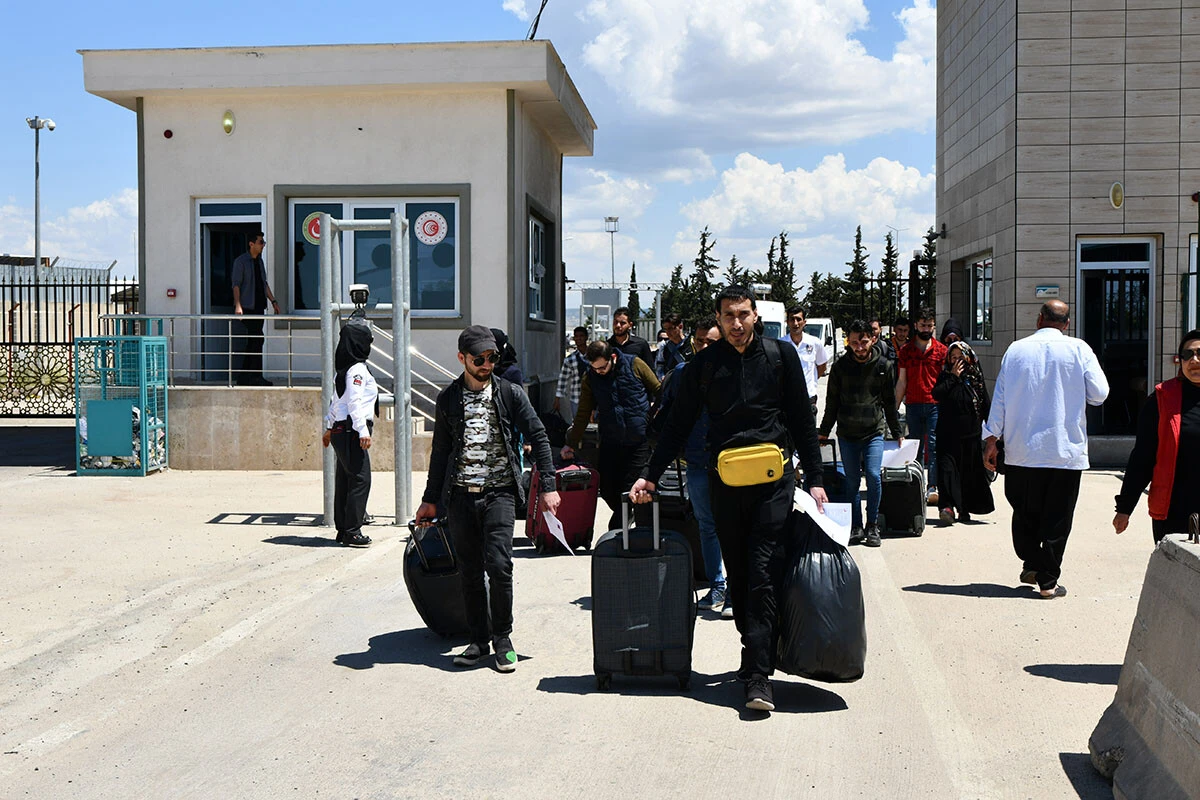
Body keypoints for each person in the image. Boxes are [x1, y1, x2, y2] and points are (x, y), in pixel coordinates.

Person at [630, 285, 828, 714]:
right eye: (728, 316)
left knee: (761, 571)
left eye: (743, 314)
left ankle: (759, 676)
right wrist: (648, 475)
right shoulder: (703, 365)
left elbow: (800, 418)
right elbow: (677, 426)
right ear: (717, 320)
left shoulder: (780, 357)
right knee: (739, 577)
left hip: (773, 484)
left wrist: (815, 476)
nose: (736, 324)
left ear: (755, 315)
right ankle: (752, 648)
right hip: (725, 484)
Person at [415, 325, 561, 671]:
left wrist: (550, 485)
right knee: (469, 571)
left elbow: (538, 435)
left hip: (500, 493)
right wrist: (430, 499)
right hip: (461, 496)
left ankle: (503, 638)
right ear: (462, 358)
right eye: (479, 359)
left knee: (499, 565)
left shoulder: (510, 393)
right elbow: (440, 452)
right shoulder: (448, 398)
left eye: (492, 357)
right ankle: (479, 640)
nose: (486, 364)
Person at [982, 300, 1109, 599]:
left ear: (1039, 320)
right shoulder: (1080, 350)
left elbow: (999, 399)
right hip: (1064, 451)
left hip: (1021, 450)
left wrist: (991, 440)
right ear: (1066, 324)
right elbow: (1100, 394)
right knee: (1058, 518)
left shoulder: (1016, 350)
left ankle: (1032, 562)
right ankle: (1047, 580)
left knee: (1024, 513)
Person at [659, 317, 733, 619]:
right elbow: (669, 416)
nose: (703, 347)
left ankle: (735, 591)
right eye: (699, 341)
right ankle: (717, 585)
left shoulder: (734, 371)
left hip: (732, 462)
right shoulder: (681, 373)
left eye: (711, 342)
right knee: (706, 524)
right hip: (697, 459)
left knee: (734, 526)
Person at [818, 319, 903, 548]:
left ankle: (872, 524)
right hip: (847, 433)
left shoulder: (884, 366)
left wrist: (897, 432)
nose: (859, 347)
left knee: (874, 476)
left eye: (863, 341)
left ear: (872, 339)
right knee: (852, 481)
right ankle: (856, 525)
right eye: (854, 342)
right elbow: (832, 403)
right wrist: (824, 432)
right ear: (848, 341)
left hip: (873, 431)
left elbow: (889, 403)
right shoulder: (840, 368)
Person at [561, 340, 661, 529]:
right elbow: (583, 412)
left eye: (602, 367)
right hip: (610, 440)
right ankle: (624, 516)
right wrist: (571, 443)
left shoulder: (635, 365)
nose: (599, 371)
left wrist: (652, 417)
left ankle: (618, 528)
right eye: (595, 368)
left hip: (638, 440)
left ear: (612, 357)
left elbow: (659, 391)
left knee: (629, 487)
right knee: (607, 489)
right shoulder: (590, 378)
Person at [1113, 330, 1200, 543]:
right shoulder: (1162, 399)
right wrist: (1125, 508)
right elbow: (1143, 456)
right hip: (1174, 510)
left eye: (1199, 353)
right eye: (1187, 355)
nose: (1194, 360)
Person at [322, 322, 377, 547]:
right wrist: (362, 430)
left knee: (345, 479)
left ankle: (344, 530)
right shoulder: (357, 370)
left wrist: (328, 428)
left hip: (341, 430)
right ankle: (353, 531)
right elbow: (353, 402)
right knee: (361, 479)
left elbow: (337, 402)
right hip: (352, 430)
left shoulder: (344, 370)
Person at [932, 342, 994, 526]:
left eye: (960, 357)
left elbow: (985, 405)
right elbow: (937, 394)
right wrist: (953, 377)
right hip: (947, 435)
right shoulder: (945, 376)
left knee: (968, 474)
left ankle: (964, 508)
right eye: (953, 357)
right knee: (946, 471)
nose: (956, 361)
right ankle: (947, 507)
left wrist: (993, 435)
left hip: (970, 436)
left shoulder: (975, 379)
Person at [895, 307, 948, 506]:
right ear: (915, 325)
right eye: (923, 325)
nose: (926, 328)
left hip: (935, 405)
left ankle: (932, 487)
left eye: (929, 325)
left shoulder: (942, 351)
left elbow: (945, 380)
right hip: (914, 404)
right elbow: (901, 381)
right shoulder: (906, 351)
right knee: (914, 447)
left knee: (934, 447)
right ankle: (916, 483)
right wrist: (894, 407)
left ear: (934, 326)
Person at [231, 231, 281, 386]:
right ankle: (253, 377)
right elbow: (236, 284)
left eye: (263, 242)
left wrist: (273, 301)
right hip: (247, 308)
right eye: (261, 242)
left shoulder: (259, 262)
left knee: (255, 340)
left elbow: (264, 283)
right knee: (256, 339)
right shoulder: (241, 261)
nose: (263, 245)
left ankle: (245, 377)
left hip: (259, 307)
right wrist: (238, 305)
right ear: (251, 244)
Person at [780, 304, 830, 418]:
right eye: (792, 319)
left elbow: (822, 365)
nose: (795, 323)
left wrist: (811, 380)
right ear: (787, 322)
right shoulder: (780, 344)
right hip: (787, 398)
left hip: (809, 397)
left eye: (798, 319)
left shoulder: (814, 343)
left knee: (809, 434)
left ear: (804, 322)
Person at [553, 326, 589, 421]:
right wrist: (557, 399)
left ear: (586, 337)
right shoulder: (570, 359)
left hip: (593, 399)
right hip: (576, 398)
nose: (579, 338)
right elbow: (563, 379)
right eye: (576, 336)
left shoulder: (594, 356)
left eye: (581, 336)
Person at [654, 312, 692, 378]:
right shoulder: (664, 346)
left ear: (680, 326)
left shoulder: (692, 343)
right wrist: (662, 377)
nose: (668, 332)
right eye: (665, 329)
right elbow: (659, 366)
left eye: (670, 328)